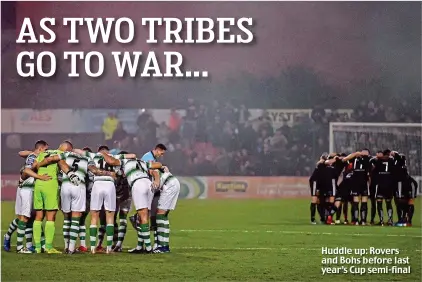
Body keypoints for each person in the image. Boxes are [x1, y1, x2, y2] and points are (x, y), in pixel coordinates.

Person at [97, 152, 163, 253]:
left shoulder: (123, 161)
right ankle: (140, 246)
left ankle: (149, 249)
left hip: (137, 184)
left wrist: (103, 153)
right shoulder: (141, 162)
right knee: (144, 216)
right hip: (148, 184)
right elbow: (156, 168)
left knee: (142, 216)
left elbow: (111, 160)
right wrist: (157, 180)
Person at [31, 141, 81, 254]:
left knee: (38, 216)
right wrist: (70, 174)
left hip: (38, 184)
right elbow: (62, 163)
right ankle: (48, 247)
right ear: (67, 150)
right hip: (50, 183)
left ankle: (38, 247)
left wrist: (38, 172)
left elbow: (33, 165)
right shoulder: (59, 154)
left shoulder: (43, 153)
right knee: (50, 217)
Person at [3, 140, 50, 253]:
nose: (47, 152)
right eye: (46, 149)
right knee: (24, 218)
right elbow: (27, 169)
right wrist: (39, 177)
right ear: (40, 149)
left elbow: (22, 153)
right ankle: (20, 247)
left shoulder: (34, 156)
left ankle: (23, 243)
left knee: (28, 217)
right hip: (27, 189)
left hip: (27, 189)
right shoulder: (33, 156)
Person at [129, 143, 167, 249]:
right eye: (161, 153)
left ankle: (140, 245)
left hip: (146, 187)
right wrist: (157, 179)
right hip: (145, 187)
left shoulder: (150, 157)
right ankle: (148, 246)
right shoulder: (148, 157)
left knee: (145, 216)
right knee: (146, 216)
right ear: (157, 150)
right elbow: (152, 170)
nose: (161, 155)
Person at [153, 166, 180, 253]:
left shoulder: (152, 171)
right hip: (174, 182)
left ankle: (162, 247)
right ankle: (164, 245)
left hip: (168, 185)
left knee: (160, 215)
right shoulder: (158, 168)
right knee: (164, 215)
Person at [372, 149, 397, 226]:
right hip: (389, 185)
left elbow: (373, 170)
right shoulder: (392, 161)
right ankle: (390, 220)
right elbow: (394, 172)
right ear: (389, 154)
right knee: (388, 203)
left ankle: (381, 221)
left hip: (380, 184)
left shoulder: (378, 161)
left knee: (379, 203)